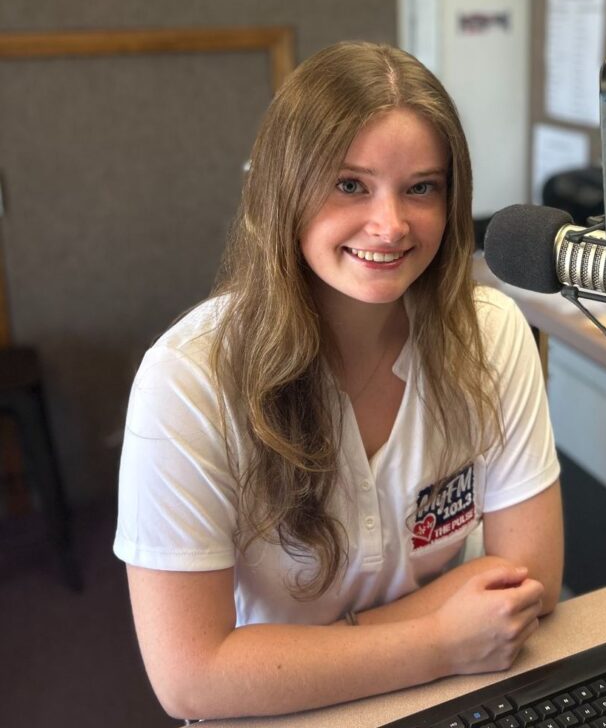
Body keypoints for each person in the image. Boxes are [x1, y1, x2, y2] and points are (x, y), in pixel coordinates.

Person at [113, 41, 564, 721]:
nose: (390, 225)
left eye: (421, 187)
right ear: (283, 191)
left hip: (454, 691)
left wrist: (300, 653)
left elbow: (531, 581)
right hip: (281, 713)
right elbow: (192, 678)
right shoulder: (186, 380)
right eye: (350, 185)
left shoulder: (491, 331)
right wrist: (439, 640)